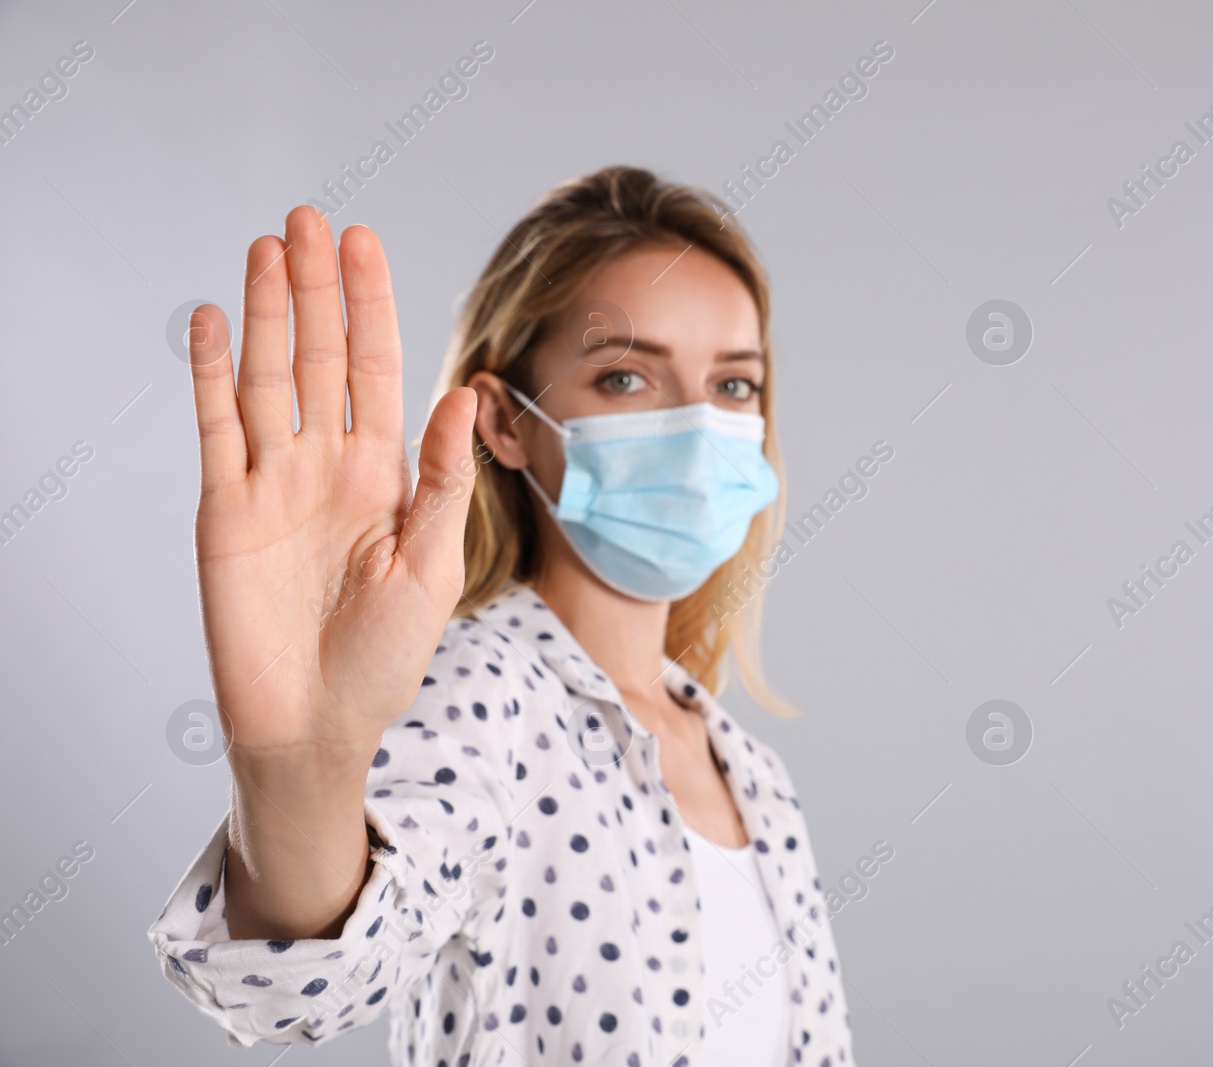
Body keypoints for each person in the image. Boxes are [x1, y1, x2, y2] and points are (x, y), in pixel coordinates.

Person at [147, 166, 853, 1067]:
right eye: (627, 376)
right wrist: (302, 769)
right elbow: (299, 988)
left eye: (735, 386)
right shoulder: (486, 696)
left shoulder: (756, 774)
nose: (698, 428)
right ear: (507, 424)